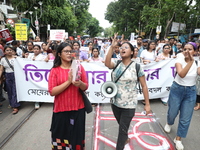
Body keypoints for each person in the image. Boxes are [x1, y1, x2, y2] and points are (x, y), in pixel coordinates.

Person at [105, 33, 151, 150]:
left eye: (126, 47)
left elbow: (144, 86)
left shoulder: (137, 67)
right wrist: (112, 46)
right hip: (115, 102)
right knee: (122, 126)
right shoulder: (116, 63)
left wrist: (147, 104)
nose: (122, 49)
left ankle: (120, 145)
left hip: (129, 105)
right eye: (121, 47)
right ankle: (125, 137)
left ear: (131, 52)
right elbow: (107, 63)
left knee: (122, 130)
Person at [48, 42, 88, 150]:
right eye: (66, 51)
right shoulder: (55, 71)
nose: (69, 53)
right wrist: (68, 82)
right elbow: (52, 91)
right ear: (59, 54)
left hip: (78, 109)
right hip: (61, 110)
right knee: (61, 139)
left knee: (77, 139)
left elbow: (85, 86)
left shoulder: (79, 67)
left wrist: (80, 84)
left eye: (71, 51)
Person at [164, 42, 200, 150]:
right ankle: (169, 122)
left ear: (195, 51)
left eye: (190, 49)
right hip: (177, 89)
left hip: (191, 91)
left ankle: (178, 138)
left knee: (185, 118)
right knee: (172, 112)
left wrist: (194, 62)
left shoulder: (198, 61)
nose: (187, 51)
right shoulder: (179, 59)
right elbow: (182, 74)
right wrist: (191, 62)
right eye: (185, 49)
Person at [0, 46, 20, 114]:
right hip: (7, 76)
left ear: (13, 51)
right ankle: (12, 103)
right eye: (7, 50)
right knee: (9, 91)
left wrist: (18, 58)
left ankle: (15, 106)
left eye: (10, 50)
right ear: (4, 52)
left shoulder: (16, 58)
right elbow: (1, 69)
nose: (9, 51)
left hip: (16, 75)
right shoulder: (3, 59)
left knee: (14, 90)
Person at [26, 45, 46, 109]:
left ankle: (38, 101)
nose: (36, 50)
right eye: (34, 49)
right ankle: (35, 100)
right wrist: (26, 58)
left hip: (39, 75)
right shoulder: (29, 56)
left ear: (40, 50)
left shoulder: (43, 56)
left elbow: (44, 64)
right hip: (31, 75)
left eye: (37, 49)